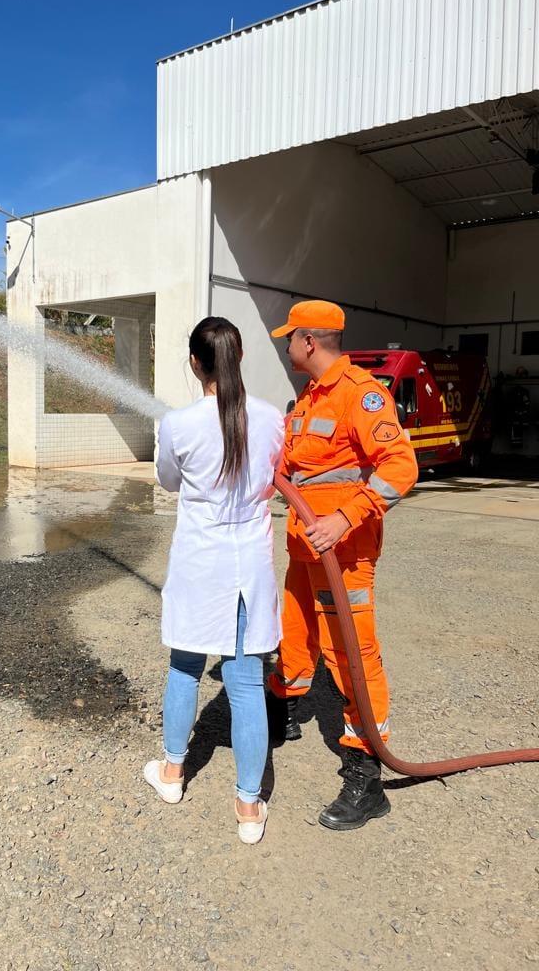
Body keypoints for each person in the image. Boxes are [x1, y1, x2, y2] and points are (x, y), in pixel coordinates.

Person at [267, 300, 418, 830]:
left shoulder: (362, 394)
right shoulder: (307, 398)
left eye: (290, 338)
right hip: (304, 546)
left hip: (343, 550)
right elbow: (293, 469)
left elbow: (400, 467)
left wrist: (345, 517)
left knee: (352, 651)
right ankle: (282, 710)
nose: (286, 346)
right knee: (293, 630)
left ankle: (366, 770)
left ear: (309, 342)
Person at [144, 316, 285, 844]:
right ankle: (249, 807)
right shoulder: (272, 419)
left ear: (195, 363)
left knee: (184, 667)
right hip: (248, 567)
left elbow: (167, 479)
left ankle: (173, 773)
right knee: (246, 685)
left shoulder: (178, 424)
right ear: (240, 359)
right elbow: (273, 473)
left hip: (199, 564)